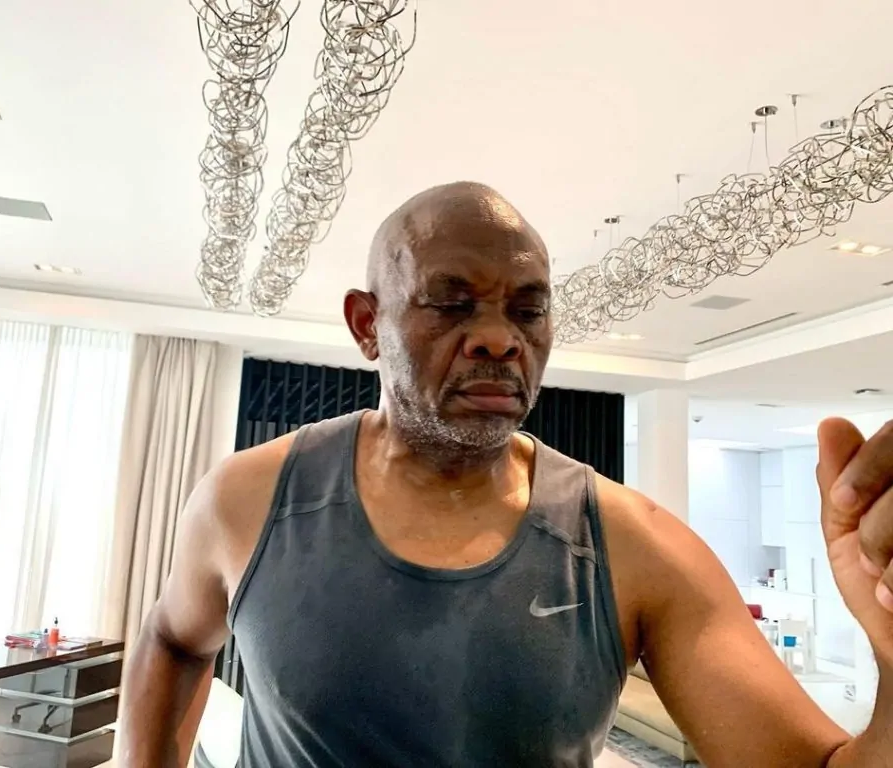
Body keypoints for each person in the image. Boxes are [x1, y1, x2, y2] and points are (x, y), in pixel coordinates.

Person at [121, 182, 893, 767]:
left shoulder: (635, 546)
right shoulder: (246, 499)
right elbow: (172, 639)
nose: (498, 338)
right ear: (367, 325)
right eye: (452, 304)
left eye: (527, 311)